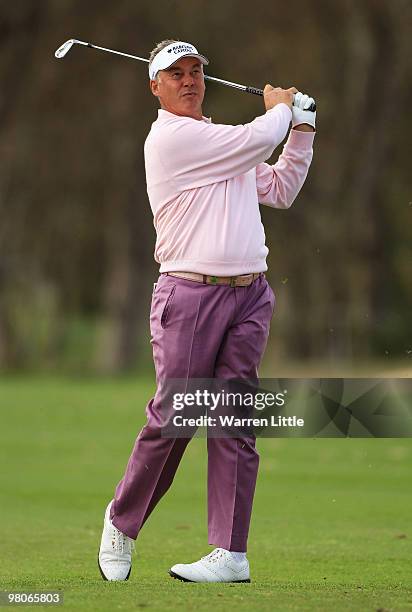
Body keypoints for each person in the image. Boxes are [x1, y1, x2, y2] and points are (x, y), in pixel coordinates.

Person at [98, 39, 316, 583]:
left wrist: (304, 132)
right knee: (176, 417)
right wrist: (282, 108)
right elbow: (261, 134)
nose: (189, 80)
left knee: (234, 422)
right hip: (189, 295)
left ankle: (230, 553)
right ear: (156, 86)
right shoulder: (172, 139)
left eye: (196, 71)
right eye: (176, 74)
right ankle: (122, 524)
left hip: (249, 294)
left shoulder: (223, 144)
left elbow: (281, 188)